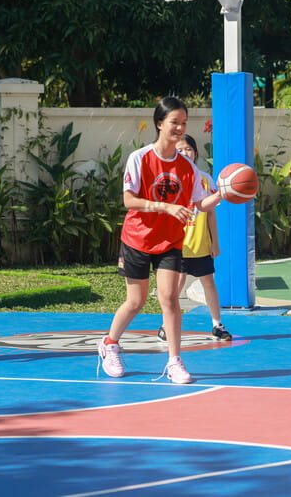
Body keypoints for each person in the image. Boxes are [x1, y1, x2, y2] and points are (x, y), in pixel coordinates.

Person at [98, 97, 225, 383]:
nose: (180, 128)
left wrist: (223, 194)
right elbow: (129, 200)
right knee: (136, 301)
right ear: (159, 124)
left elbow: (200, 204)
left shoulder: (188, 167)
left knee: (169, 298)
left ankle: (174, 361)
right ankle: (109, 344)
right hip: (138, 238)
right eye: (174, 122)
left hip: (170, 241)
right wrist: (165, 207)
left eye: (184, 123)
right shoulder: (140, 158)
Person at [156, 134, 232, 343]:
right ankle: (166, 325)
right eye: (179, 150)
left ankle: (217, 324)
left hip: (200, 243)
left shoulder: (205, 179)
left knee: (208, 282)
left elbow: (211, 213)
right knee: (174, 287)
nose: (184, 153)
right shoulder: (168, 179)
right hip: (177, 244)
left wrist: (215, 242)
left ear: (196, 153)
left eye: (188, 149)